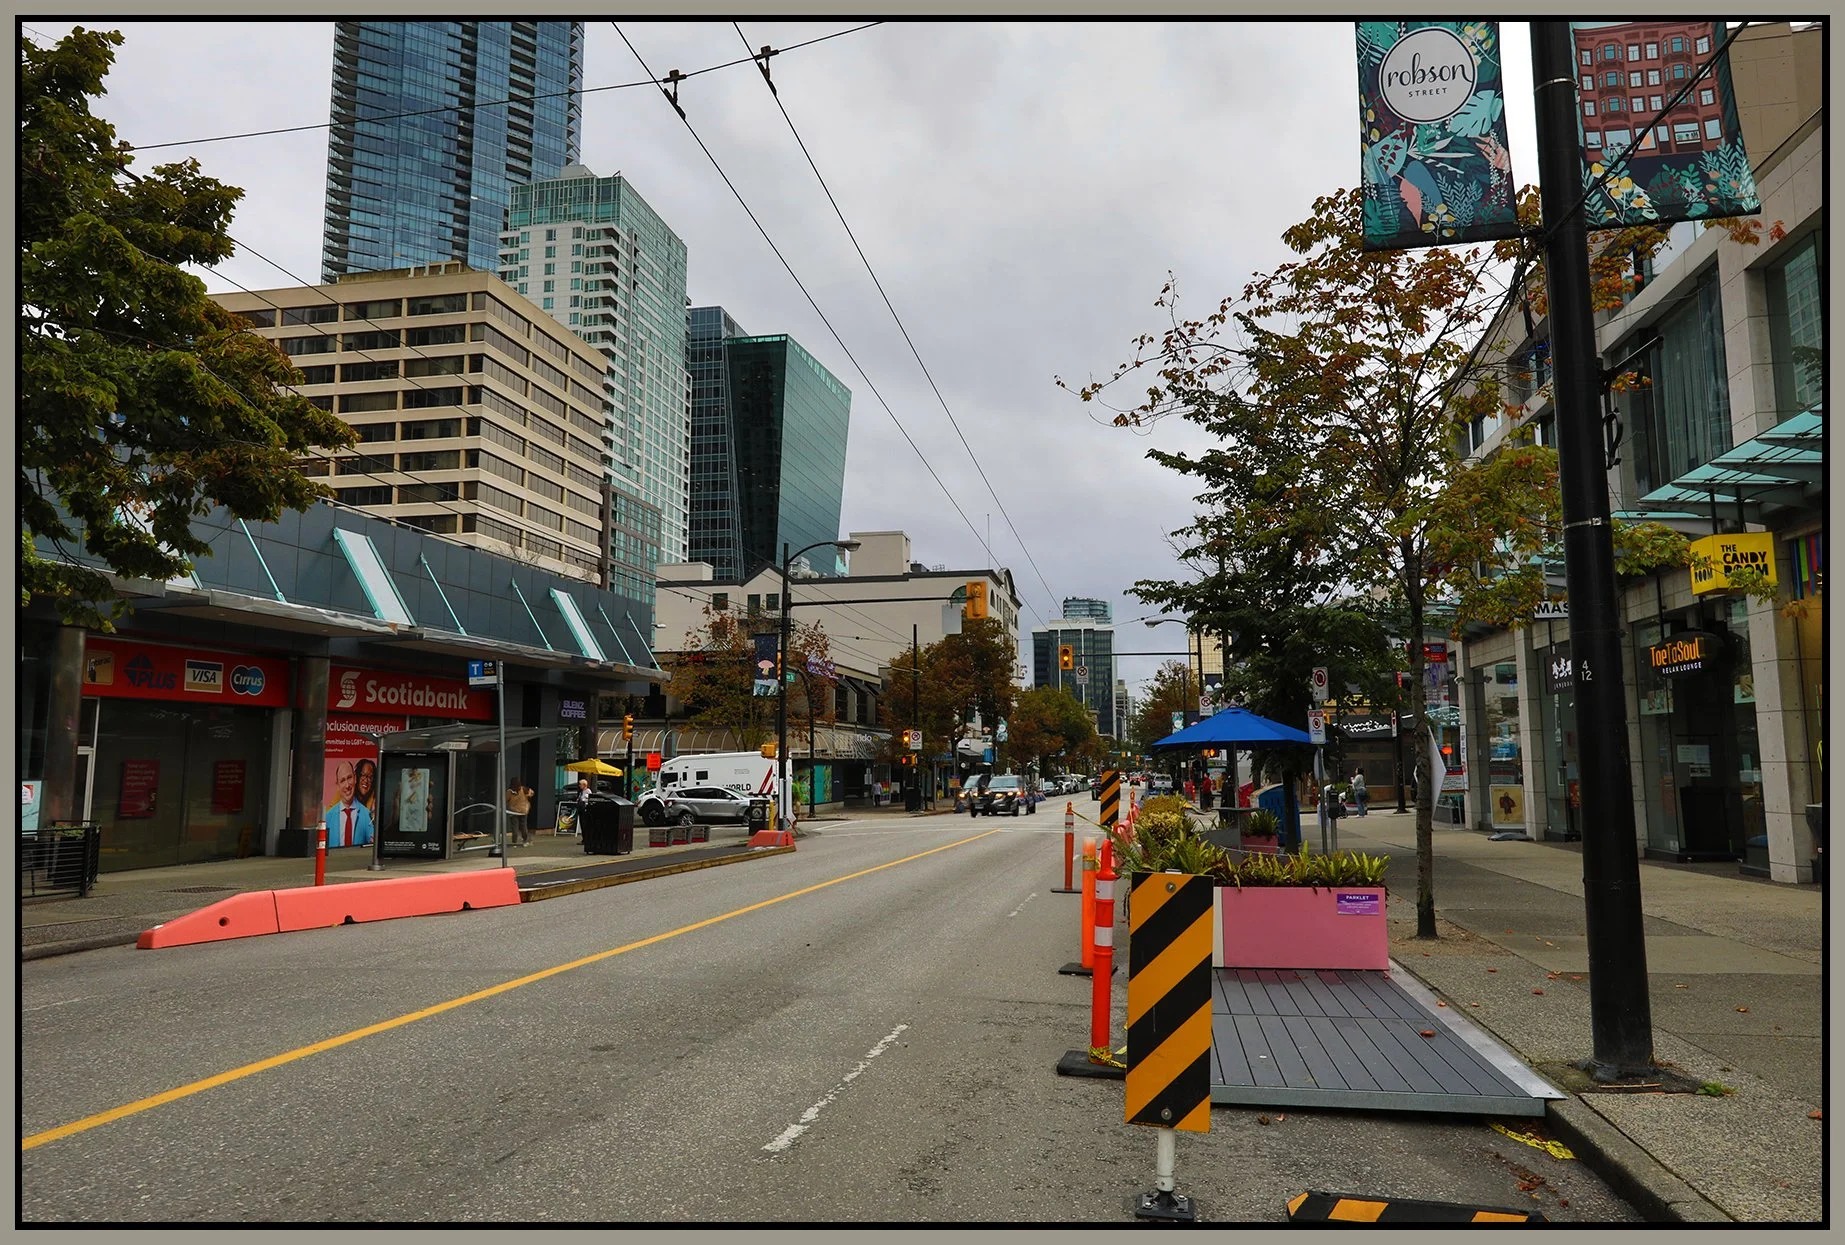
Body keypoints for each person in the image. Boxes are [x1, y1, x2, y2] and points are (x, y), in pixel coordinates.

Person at [323, 761, 375, 848]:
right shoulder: (327, 818)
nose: (347, 785)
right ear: (338, 786)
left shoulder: (367, 815)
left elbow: (372, 846)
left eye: (349, 778)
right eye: (342, 780)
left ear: (355, 778)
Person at [506, 776, 534, 846]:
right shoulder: (524, 789)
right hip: (523, 811)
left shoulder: (509, 792)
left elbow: (505, 800)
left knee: (515, 828)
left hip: (513, 811)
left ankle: (514, 842)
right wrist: (528, 797)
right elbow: (532, 793)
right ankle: (525, 840)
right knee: (523, 827)